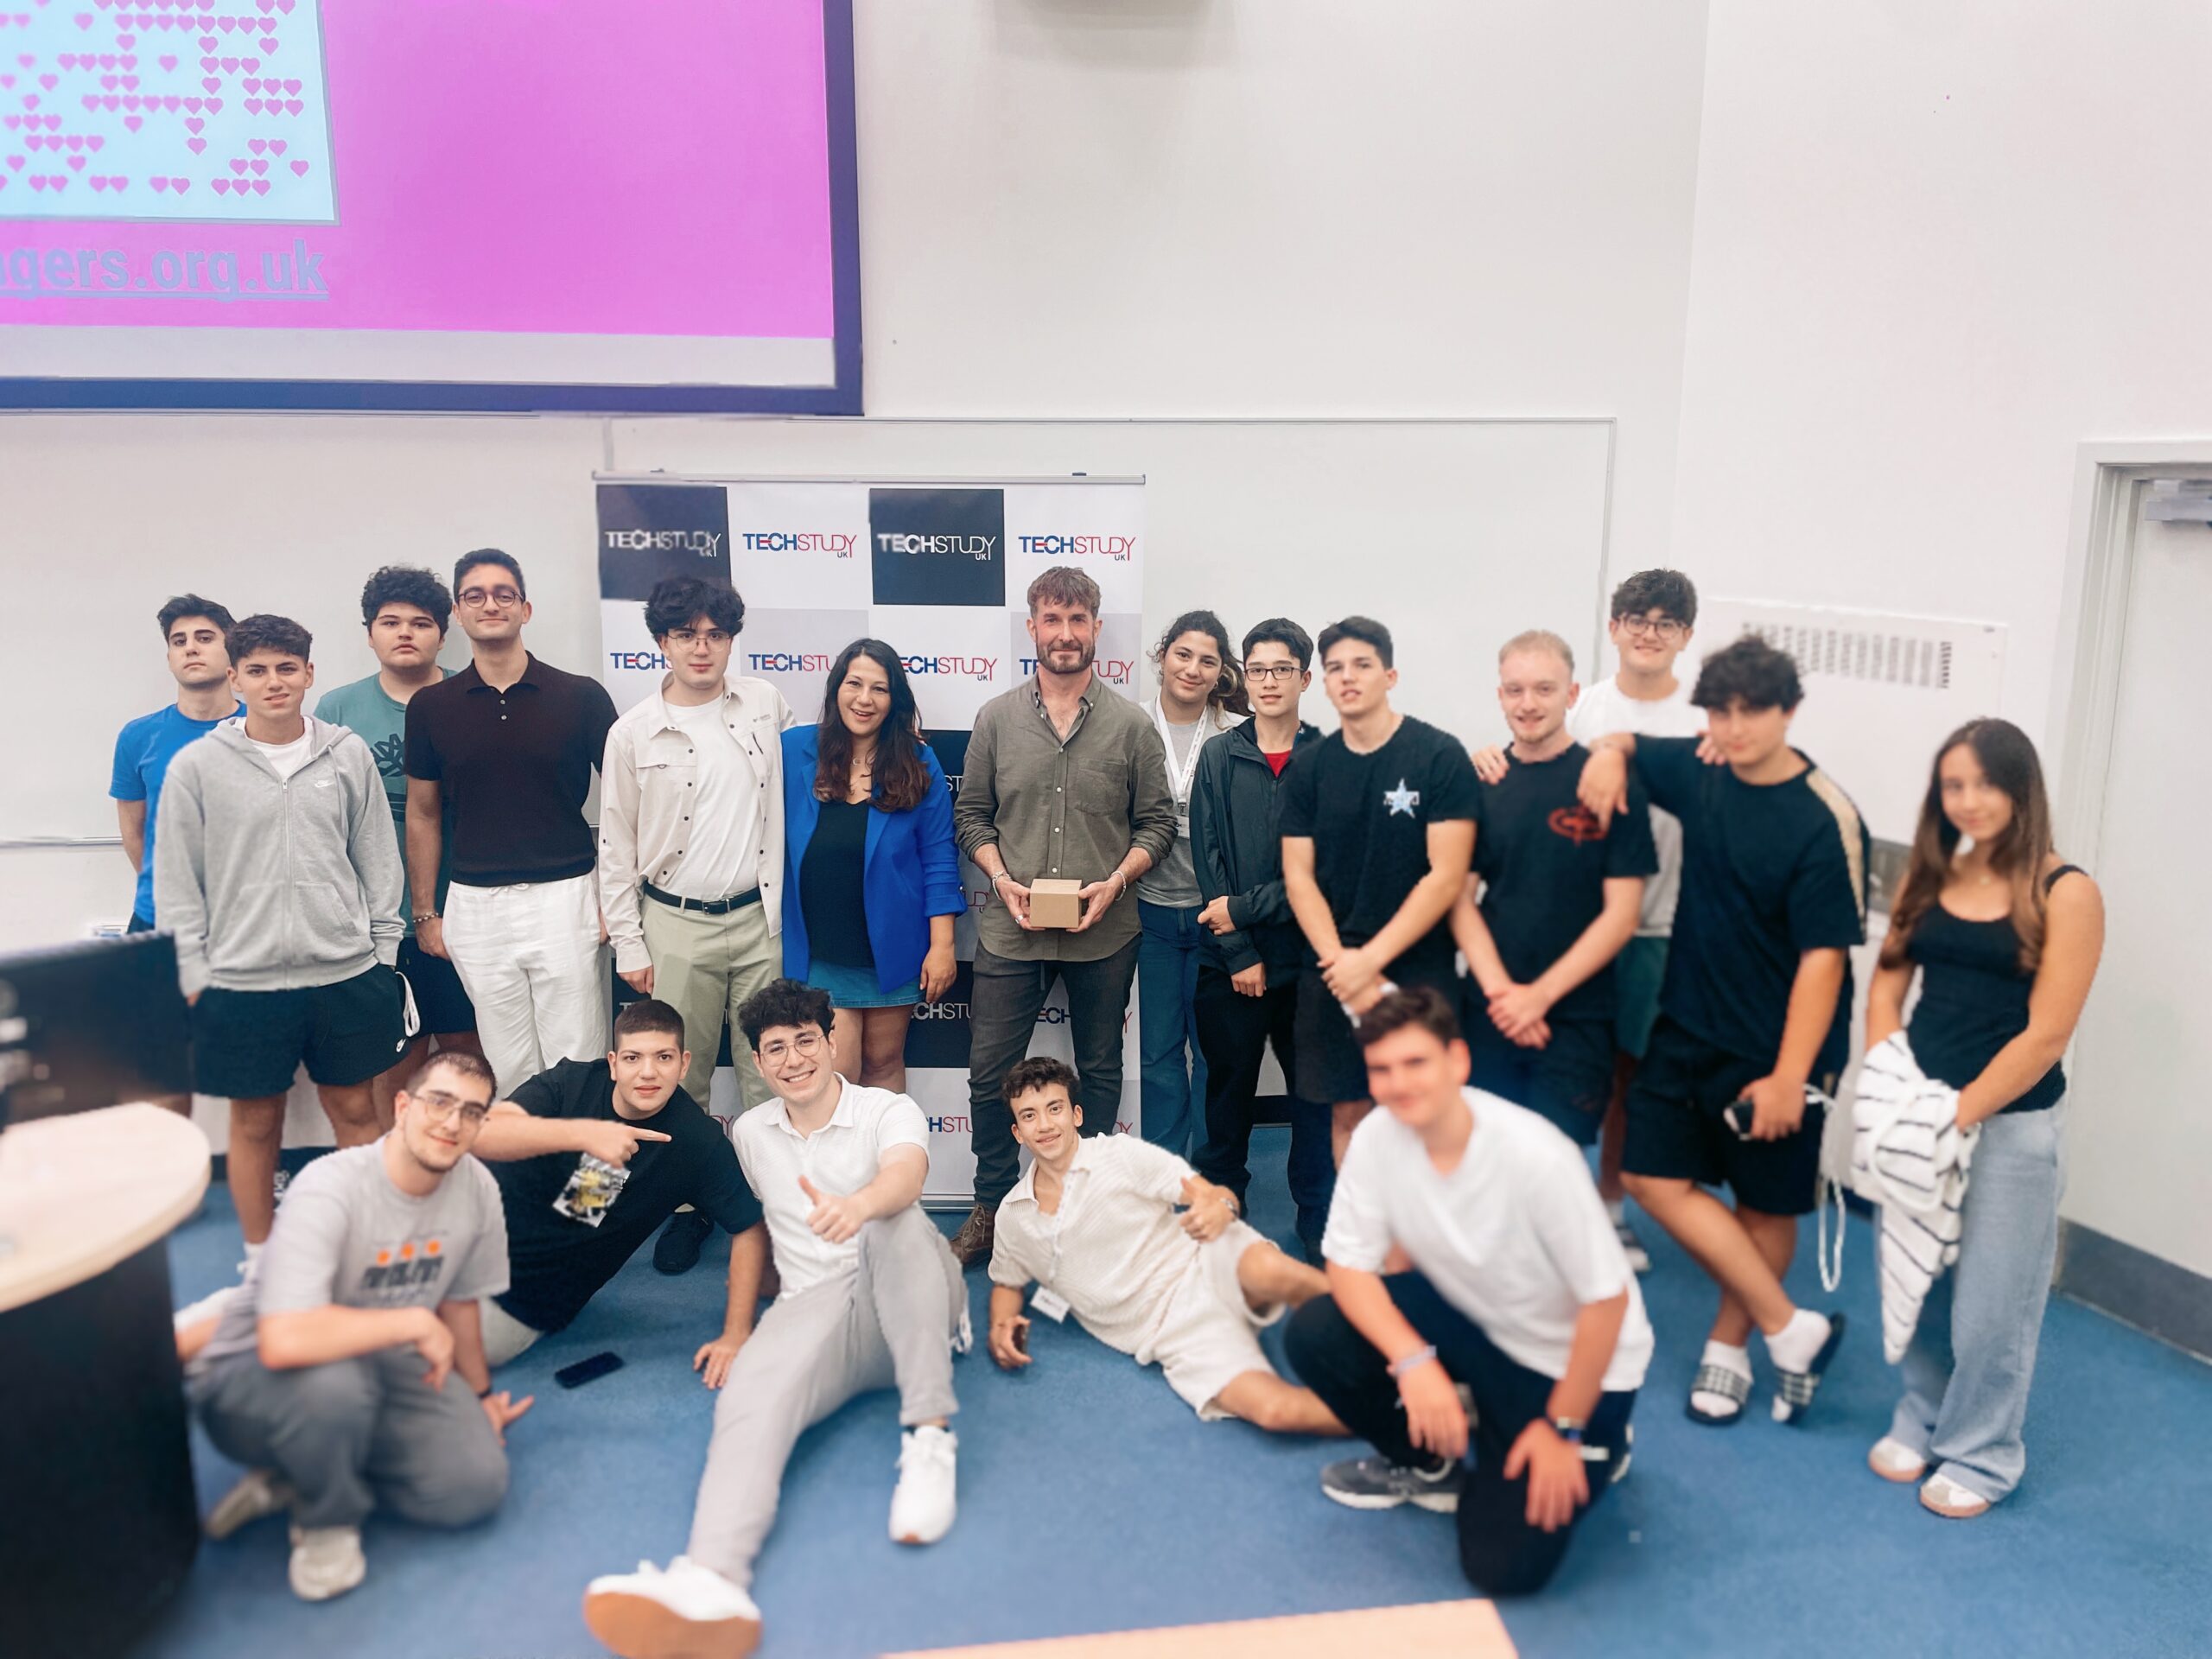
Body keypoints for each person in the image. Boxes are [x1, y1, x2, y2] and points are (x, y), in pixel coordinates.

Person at [582, 981, 967, 1659]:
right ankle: (713, 1578)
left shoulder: (885, 1109)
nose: (794, 1059)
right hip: (815, 1307)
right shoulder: (752, 1132)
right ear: (758, 1063)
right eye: (776, 1049)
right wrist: (742, 1333)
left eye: (806, 1041)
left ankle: (929, 1438)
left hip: (909, 1293)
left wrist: (860, 1205)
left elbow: (906, 1175)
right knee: (749, 1399)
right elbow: (750, 1230)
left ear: (832, 1042)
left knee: (896, 1222)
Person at [1577, 635, 1863, 1426]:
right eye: (1719, 712)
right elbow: (1628, 740)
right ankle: (1791, 1327)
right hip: (1687, 1022)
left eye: (1751, 712)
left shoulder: (1824, 817)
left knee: (1764, 1207)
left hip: (1779, 1049)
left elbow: (1824, 963)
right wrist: (1609, 754)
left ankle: (1729, 1346)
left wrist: (1789, 1076)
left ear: (1789, 712)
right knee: (1648, 1177)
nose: (1733, 728)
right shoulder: (1701, 769)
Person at [1285, 988, 1650, 1598]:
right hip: (1479, 1321)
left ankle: (1597, 1442)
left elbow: (1606, 1304)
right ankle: (1431, 1461)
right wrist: (1414, 1363)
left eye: (1416, 1063)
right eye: (1382, 1069)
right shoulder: (1377, 1137)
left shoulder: (1536, 1155)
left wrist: (1564, 1428)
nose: (1400, 1084)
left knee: (1503, 1568)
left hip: (1570, 1363)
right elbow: (1347, 1266)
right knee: (1316, 1332)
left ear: (1458, 1060)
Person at [1863, 719, 2103, 1519]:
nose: (1967, 801)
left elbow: (2046, 1036)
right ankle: (1923, 1416)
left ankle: (1981, 1453)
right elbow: (1886, 987)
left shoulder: (2067, 892)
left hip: (2009, 1130)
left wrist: (1955, 1116)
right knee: (1918, 1278)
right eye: (1953, 786)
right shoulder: (1930, 874)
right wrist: (1891, 1087)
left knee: (1994, 1307)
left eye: (1984, 784)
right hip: (1920, 1111)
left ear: (2020, 788)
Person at [188, 1051, 524, 1604]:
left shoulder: (478, 1189)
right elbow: (285, 1340)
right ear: (403, 1106)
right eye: (439, 1102)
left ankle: (301, 1473)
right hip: (268, 1366)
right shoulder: (331, 1185)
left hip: (381, 1361)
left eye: (471, 1112)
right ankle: (327, 1521)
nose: (452, 1122)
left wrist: (482, 1394)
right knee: (335, 1388)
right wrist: (410, 1321)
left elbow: (461, 1301)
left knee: (472, 1486)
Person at [154, 614, 408, 1257]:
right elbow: (177, 881)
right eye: (258, 670)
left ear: (308, 674)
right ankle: (261, 1258)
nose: (274, 682)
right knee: (255, 1123)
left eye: (287, 668)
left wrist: (382, 954)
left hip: (344, 973)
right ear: (235, 678)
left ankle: (365, 1252)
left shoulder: (346, 753)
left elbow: (379, 859)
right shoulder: (198, 766)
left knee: (357, 1113)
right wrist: (192, 973)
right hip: (241, 981)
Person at [948, 566, 1177, 1268]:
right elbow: (971, 815)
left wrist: (1117, 880)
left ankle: (1087, 1204)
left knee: (1100, 1072)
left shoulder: (1132, 726)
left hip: (1106, 933)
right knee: (990, 1073)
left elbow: (1158, 824)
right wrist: (1000, 878)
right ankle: (992, 1205)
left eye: (1079, 620)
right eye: (1053, 619)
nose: (1066, 633)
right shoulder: (995, 719)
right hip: (1009, 931)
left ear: (1097, 628)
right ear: (1033, 628)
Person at [987, 1057, 1343, 1434]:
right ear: (1017, 1133)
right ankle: (1388, 1420)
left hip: (1203, 1261)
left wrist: (1221, 1210)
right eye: (1029, 1116)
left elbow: (1214, 1196)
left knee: (1271, 1270)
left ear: (1076, 1115)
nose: (1044, 1125)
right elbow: (1008, 1281)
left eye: (1054, 1108)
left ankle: (1380, 1333)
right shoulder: (1012, 1214)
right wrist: (1001, 1325)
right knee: (1275, 1412)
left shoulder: (1120, 1154)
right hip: (1168, 1329)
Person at [599, 575, 791, 1275]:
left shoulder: (766, 704)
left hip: (761, 920)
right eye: (686, 635)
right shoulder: (632, 731)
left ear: (732, 639)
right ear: (662, 642)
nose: (701, 648)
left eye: (715, 634)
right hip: (674, 923)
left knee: (772, 1075)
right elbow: (615, 844)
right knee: (678, 1081)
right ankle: (684, 1210)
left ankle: (773, 1213)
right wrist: (628, 941)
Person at [404, 549, 618, 1096]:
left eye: (504, 594)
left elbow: (625, 808)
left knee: (579, 1058)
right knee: (507, 1064)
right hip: (475, 907)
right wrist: (426, 912)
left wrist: (615, 901)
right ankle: (525, 1155)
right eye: (474, 595)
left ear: (525, 609)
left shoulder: (581, 696)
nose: (490, 604)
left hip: (567, 895)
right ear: (457, 613)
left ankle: (584, 1159)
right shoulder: (430, 707)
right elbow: (423, 813)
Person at [467, 999, 767, 1368]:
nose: (647, 1073)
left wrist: (736, 1333)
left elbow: (748, 1227)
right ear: (613, 1063)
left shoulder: (697, 1142)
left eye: (663, 1057)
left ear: (684, 1064)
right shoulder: (571, 1082)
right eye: (632, 1058)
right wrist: (584, 1135)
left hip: (529, 1293)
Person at [1280, 615, 1478, 1164]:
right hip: (1332, 969)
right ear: (1324, 682)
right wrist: (1344, 966)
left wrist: (1369, 963)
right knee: (1350, 1115)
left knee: (1427, 1114)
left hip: (1418, 968)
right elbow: (1298, 877)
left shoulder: (1438, 756)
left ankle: (1426, 1225)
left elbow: (1447, 875)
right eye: (1336, 668)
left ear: (1390, 676)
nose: (1348, 677)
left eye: (1362, 665)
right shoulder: (1309, 768)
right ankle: (1364, 1223)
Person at [1452, 631, 1655, 1150]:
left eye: (1544, 689)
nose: (1528, 704)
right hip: (1491, 1009)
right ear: (1500, 696)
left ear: (1572, 694)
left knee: (1557, 1164)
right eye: (1515, 690)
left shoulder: (1611, 784)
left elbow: (1623, 915)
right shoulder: (1481, 784)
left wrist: (1537, 998)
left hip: (1577, 1016)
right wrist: (1504, 996)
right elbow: (1459, 900)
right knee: (1487, 1161)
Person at [314, 566, 483, 1129]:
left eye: (421, 622)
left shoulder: (472, 696)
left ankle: (469, 1166)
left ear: (443, 633)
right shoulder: (337, 710)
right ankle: (398, 1171)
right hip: (373, 923)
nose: (405, 632)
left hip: (464, 912)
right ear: (370, 634)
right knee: (394, 1063)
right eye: (390, 622)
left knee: (469, 1055)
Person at [1189, 616, 1333, 1260]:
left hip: (1308, 965)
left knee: (1314, 1102)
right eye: (1257, 670)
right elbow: (1208, 860)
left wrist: (1243, 910)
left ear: (1306, 678)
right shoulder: (1220, 755)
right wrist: (1240, 951)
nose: (1269, 681)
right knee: (1227, 1096)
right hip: (1232, 966)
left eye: (1282, 670)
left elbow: (1323, 873)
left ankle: (1318, 1218)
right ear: (1242, 678)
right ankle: (1222, 1205)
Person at [780, 639, 964, 1089]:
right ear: (836, 689)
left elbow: (939, 855)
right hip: (820, 950)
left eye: (879, 689)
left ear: (894, 699)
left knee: (884, 1063)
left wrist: (942, 946)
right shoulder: (793, 750)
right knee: (836, 1073)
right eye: (854, 684)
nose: (864, 699)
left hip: (893, 945)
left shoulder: (918, 760)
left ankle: (889, 1142)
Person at [1134, 610, 1249, 1162]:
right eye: (1183, 655)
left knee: (1213, 1053)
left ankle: (1209, 1172)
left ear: (1221, 672)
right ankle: (1162, 1168)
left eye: (1207, 660)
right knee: (1157, 1054)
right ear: (1162, 658)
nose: (1192, 669)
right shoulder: (1129, 724)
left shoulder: (1236, 735)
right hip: (1149, 913)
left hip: (1215, 917)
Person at [112, 593, 240, 934]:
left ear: (232, 650)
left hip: (244, 920)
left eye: (205, 638)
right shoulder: (138, 736)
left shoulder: (264, 729)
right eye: (179, 641)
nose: (191, 648)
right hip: (160, 918)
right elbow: (134, 832)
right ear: (169, 657)